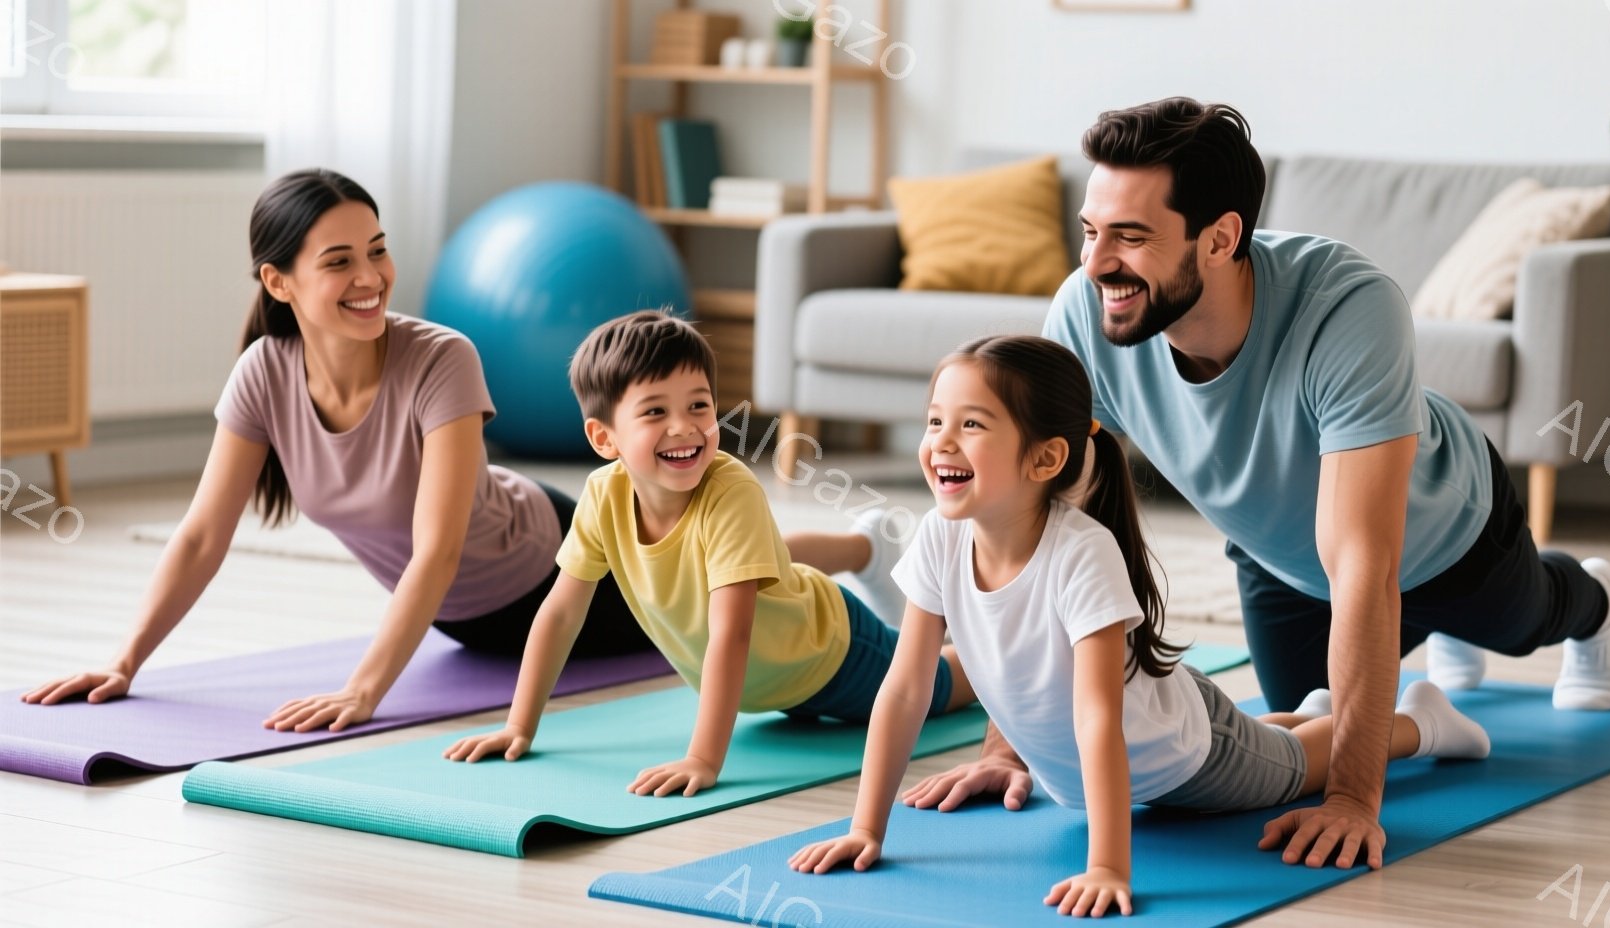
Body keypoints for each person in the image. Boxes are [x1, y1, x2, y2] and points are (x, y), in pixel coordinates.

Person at [916, 97, 1610, 872]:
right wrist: (1008, 748)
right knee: (1283, 751)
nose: (1095, 263)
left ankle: (1594, 600)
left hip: (1444, 534)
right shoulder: (1089, 315)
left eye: (1130, 236)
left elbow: (1365, 564)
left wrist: (1356, 799)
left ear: (1220, 238)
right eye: (1091, 231)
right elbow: (1033, 528)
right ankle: (1423, 702)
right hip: (1278, 557)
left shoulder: (1348, 306)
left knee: (1528, 620)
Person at [788, 335, 1491, 917]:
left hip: (1183, 762)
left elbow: (1101, 717)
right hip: (1154, 724)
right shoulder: (943, 537)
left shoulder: (1079, 553)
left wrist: (1105, 865)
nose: (941, 441)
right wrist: (865, 829)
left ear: (1045, 458)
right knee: (1268, 735)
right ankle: (1310, 713)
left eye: (971, 425)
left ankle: (1420, 721)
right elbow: (906, 689)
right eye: (935, 420)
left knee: (1299, 767)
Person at [21, 168, 659, 730]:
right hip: (464, 624)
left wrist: (364, 689)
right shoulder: (264, 373)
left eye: (377, 251)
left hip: (571, 570)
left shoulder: (442, 358)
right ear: (278, 281)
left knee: (710, 620)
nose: (369, 277)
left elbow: (436, 551)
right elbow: (200, 537)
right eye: (338, 261)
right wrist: (124, 661)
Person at [442, 311, 975, 797]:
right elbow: (560, 612)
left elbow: (732, 633)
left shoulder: (730, 488)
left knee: (939, 686)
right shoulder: (604, 496)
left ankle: (989, 640)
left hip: (827, 653)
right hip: (772, 683)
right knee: (757, 563)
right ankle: (868, 550)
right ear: (605, 439)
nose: (685, 426)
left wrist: (703, 757)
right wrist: (520, 723)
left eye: (699, 405)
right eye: (655, 411)